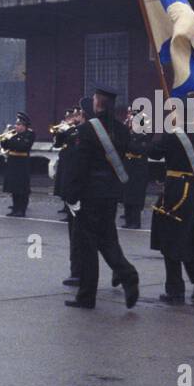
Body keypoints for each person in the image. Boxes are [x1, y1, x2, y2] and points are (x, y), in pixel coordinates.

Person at [62, 85, 138, 309]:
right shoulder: (122, 131)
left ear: (97, 103)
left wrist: (71, 196)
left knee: (86, 246)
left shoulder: (87, 131)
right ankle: (127, 274)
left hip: (89, 193)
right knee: (107, 240)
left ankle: (86, 296)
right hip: (110, 192)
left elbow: (80, 166)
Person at [148, 105, 194, 303]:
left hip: (176, 190)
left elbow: (155, 153)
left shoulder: (173, 135)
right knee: (184, 234)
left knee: (169, 237)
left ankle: (175, 290)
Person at [55, 102, 87, 287]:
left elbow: (77, 159)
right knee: (75, 234)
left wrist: (70, 131)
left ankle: (80, 272)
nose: (75, 117)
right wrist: (63, 130)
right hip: (70, 189)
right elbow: (59, 144)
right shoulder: (74, 132)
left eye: (79, 115)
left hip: (80, 191)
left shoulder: (82, 134)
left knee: (82, 236)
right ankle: (76, 271)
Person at [122, 105, 151, 229]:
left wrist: (128, 139)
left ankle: (135, 221)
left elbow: (139, 149)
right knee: (126, 194)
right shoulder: (128, 133)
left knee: (136, 195)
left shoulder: (144, 134)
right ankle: (128, 220)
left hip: (138, 167)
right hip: (128, 165)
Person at [1, 112, 35, 216]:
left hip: (22, 162)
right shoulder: (14, 135)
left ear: (25, 126)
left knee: (22, 188)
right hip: (12, 161)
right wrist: (5, 137)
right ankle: (15, 208)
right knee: (13, 187)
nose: (17, 126)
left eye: (19, 125)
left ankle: (22, 209)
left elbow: (22, 146)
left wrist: (10, 139)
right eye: (16, 124)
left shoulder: (29, 134)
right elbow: (4, 145)